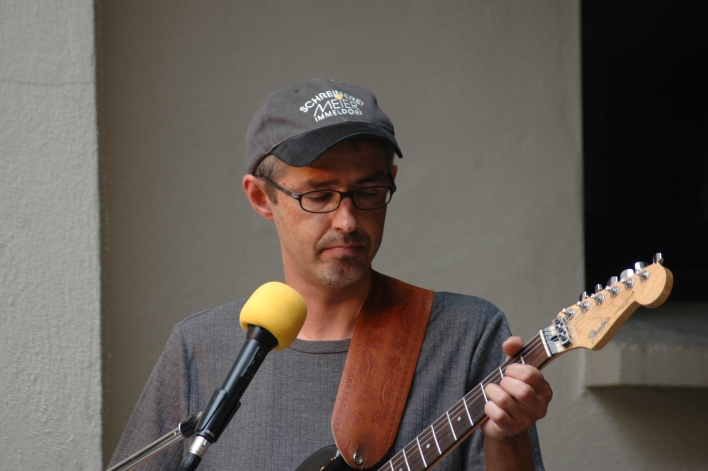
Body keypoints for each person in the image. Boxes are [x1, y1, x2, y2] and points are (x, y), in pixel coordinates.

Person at [109, 78, 551, 470]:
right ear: (261, 198)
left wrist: (507, 439)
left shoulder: (467, 334)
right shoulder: (200, 347)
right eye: (319, 195)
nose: (348, 221)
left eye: (368, 191)